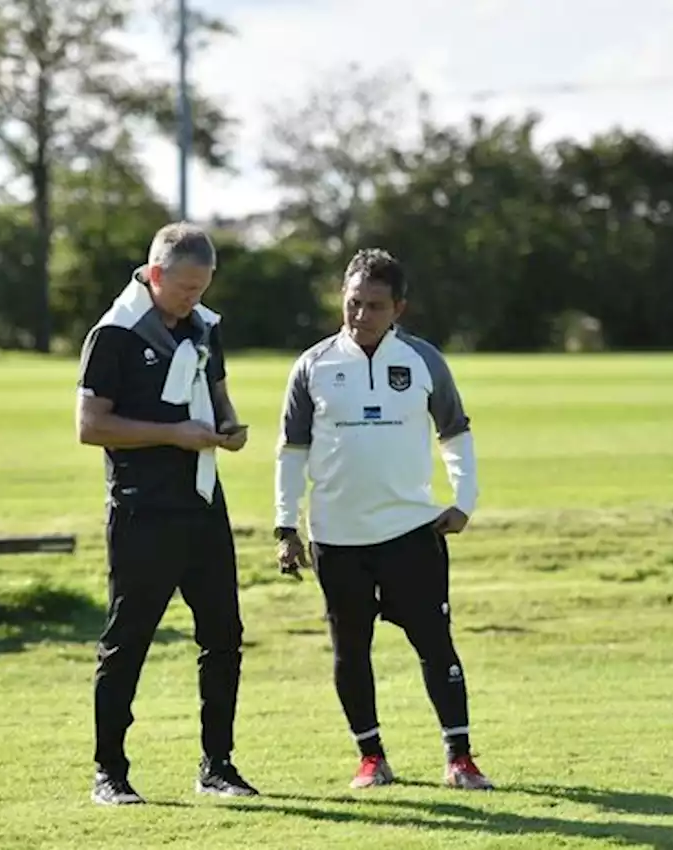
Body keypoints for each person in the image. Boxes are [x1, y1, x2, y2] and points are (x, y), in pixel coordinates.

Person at [272, 247, 494, 791]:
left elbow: (455, 434)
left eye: (374, 305)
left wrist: (464, 499)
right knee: (351, 651)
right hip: (336, 538)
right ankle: (371, 758)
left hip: (411, 534)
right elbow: (291, 450)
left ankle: (459, 758)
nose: (360, 315)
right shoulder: (314, 365)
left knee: (435, 645)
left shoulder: (424, 361)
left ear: (399, 307)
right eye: (352, 303)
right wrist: (285, 525)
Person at [76, 222, 259, 805]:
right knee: (128, 641)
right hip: (142, 510)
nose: (194, 299)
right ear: (154, 275)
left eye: (202, 288)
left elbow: (219, 394)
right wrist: (173, 436)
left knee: (224, 636)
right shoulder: (116, 334)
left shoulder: (206, 328)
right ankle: (110, 772)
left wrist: (228, 428)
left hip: (203, 502)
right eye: (184, 288)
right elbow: (91, 425)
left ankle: (218, 766)